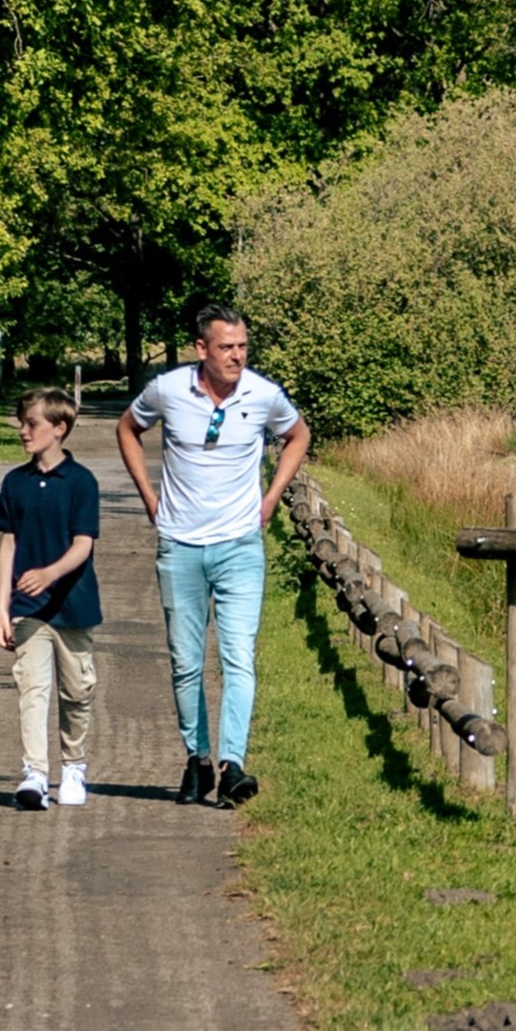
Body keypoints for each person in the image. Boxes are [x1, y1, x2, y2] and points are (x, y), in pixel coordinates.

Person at [116, 309, 308, 808]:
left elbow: (298, 435)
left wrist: (271, 497)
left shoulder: (262, 394)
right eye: (227, 347)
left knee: (238, 656)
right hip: (180, 545)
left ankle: (233, 764)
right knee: (186, 661)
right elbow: (127, 429)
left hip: (240, 545)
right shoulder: (168, 390)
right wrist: (148, 496)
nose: (237, 356)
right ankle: (197, 759)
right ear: (202, 349)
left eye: (243, 346)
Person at [0, 388, 104, 811]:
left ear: (59, 429)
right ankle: (35, 774)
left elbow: (83, 545)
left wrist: (50, 573)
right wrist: (3, 606)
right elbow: (8, 544)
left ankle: (73, 765)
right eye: (22, 423)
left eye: (32, 424)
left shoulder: (81, 481)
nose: (23, 431)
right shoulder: (14, 482)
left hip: (73, 606)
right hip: (28, 611)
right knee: (32, 689)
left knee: (76, 692)